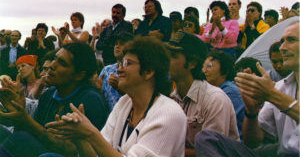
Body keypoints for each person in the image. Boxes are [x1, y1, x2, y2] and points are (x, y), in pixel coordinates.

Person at [45, 36, 187, 157]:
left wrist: (90, 134)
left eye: (127, 63)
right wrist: (79, 136)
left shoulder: (169, 114)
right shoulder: (125, 103)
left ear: (149, 71)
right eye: (120, 63)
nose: (119, 69)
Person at [194, 21, 299, 157]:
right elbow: (252, 142)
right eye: (282, 41)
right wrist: (251, 112)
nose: (282, 48)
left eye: (291, 40)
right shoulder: (280, 87)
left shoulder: (274, 91)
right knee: (206, 138)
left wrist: (272, 95)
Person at [0, 42, 109, 157]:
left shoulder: (91, 100)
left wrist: (25, 120)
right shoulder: (49, 94)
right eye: (54, 59)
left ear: (79, 75)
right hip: (42, 151)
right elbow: (32, 135)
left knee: (20, 140)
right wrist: (16, 114)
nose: (52, 65)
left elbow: (74, 151)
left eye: (62, 63)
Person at [167, 31, 239, 157]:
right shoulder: (170, 99)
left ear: (192, 63)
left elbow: (211, 152)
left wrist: (167, 151)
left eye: (173, 56)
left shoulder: (215, 99)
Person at [202, 51, 245, 141]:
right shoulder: (212, 89)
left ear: (224, 72)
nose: (204, 70)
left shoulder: (229, 92)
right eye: (203, 66)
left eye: (209, 66)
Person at [99, 32, 133, 111]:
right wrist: (97, 89)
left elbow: (140, 99)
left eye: (122, 44)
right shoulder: (106, 70)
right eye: (116, 44)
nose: (117, 46)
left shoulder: (135, 70)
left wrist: (120, 89)